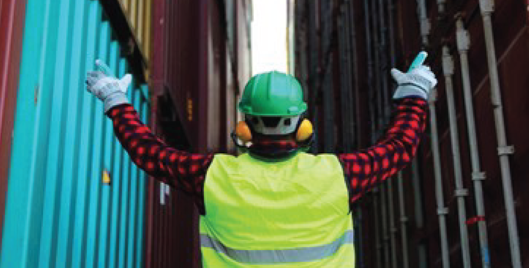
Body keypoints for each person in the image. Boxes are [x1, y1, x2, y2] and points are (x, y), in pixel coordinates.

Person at [86, 52, 437, 267]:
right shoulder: (339, 175)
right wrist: (414, 92)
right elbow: (400, 147)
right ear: (302, 123)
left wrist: (116, 100)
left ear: (245, 123)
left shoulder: (211, 175)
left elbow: (148, 152)